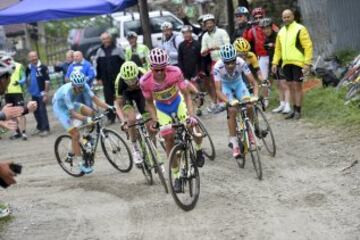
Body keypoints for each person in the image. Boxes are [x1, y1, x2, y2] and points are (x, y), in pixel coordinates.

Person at [140, 48, 204, 192]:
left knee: (192, 126)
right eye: (156, 70)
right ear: (151, 68)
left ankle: (199, 150)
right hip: (162, 109)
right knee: (168, 137)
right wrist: (155, 120)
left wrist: (191, 115)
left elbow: (186, 95)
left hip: (178, 102)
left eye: (163, 68)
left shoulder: (175, 72)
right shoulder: (145, 81)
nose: (160, 72)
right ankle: (177, 176)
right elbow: (149, 103)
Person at [52, 71, 115, 174]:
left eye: (82, 86)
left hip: (71, 105)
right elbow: (72, 114)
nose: (81, 89)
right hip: (60, 109)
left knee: (92, 113)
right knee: (75, 134)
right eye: (79, 87)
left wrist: (109, 107)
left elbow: (96, 100)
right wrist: (85, 119)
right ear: (73, 85)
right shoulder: (67, 92)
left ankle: (86, 138)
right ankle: (81, 162)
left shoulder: (84, 85)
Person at [213, 44, 258, 158]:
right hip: (226, 87)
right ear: (223, 61)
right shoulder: (217, 68)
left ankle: (250, 132)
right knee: (232, 110)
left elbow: (254, 82)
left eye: (232, 61)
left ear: (235, 59)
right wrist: (228, 101)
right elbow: (218, 91)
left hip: (239, 84)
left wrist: (255, 96)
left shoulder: (241, 62)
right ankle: (234, 143)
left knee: (249, 106)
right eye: (227, 62)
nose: (231, 65)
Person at [272, 9, 313, 120]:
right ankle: (294, 110)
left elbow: (308, 47)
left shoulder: (300, 29)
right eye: (284, 17)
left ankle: (298, 111)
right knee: (290, 87)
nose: (286, 19)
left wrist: (307, 63)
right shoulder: (281, 32)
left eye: (288, 17)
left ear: (293, 17)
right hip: (286, 63)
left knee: (297, 86)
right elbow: (278, 49)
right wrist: (275, 62)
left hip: (298, 63)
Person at [114, 61, 148, 166]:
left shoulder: (143, 73)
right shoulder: (119, 81)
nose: (132, 83)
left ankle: (152, 151)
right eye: (128, 81)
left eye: (133, 79)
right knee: (132, 120)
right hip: (126, 96)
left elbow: (153, 93)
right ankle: (135, 148)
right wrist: (123, 121)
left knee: (150, 122)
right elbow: (118, 105)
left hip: (141, 93)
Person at [259, 18, 291, 114]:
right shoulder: (266, 39)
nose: (266, 30)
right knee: (278, 84)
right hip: (273, 64)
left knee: (284, 84)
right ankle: (282, 104)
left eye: (268, 28)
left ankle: (288, 105)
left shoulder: (278, 36)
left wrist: (274, 45)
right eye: (264, 29)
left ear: (271, 27)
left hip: (282, 63)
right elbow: (266, 47)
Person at [200, 14, 230, 113]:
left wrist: (217, 47)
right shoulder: (205, 36)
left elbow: (228, 45)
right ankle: (221, 102)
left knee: (227, 79)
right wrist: (206, 50)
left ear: (214, 22)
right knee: (216, 81)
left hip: (225, 59)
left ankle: (229, 99)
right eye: (207, 23)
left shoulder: (222, 32)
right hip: (214, 61)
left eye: (210, 22)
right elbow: (203, 51)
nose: (209, 25)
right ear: (204, 25)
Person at [95, 32, 125, 124]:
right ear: (102, 40)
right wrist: (98, 78)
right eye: (103, 39)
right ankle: (111, 117)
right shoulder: (99, 51)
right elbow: (98, 66)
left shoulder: (118, 49)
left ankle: (122, 116)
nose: (105, 41)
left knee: (120, 97)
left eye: (107, 38)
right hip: (106, 79)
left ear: (110, 39)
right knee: (108, 99)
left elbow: (124, 62)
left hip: (117, 78)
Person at [243, 7, 275, 82]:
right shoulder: (252, 29)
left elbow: (279, 35)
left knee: (278, 78)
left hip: (273, 54)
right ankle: (266, 92)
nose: (258, 19)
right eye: (256, 18)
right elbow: (245, 41)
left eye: (260, 17)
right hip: (262, 56)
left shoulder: (271, 25)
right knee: (263, 79)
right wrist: (246, 29)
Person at [178, 25, 203, 115]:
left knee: (196, 88)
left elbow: (200, 59)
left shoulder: (197, 44)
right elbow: (180, 59)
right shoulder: (181, 45)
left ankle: (198, 107)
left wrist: (200, 71)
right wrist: (181, 72)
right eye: (184, 33)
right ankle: (190, 107)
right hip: (185, 71)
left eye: (188, 33)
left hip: (195, 70)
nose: (186, 35)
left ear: (191, 33)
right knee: (187, 90)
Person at [25, 51, 50, 137]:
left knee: (42, 111)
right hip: (33, 94)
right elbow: (27, 79)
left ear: (37, 56)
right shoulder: (28, 68)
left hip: (41, 94)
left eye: (35, 56)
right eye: (31, 57)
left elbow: (47, 81)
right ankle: (40, 128)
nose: (34, 58)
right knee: (35, 112)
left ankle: (46, 129)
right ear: (29, 59)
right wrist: (29, 90)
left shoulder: (43, 67)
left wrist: (46, 94)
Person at [5, 58, 28, 140]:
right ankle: (16, 132)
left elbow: (24, 78)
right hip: (7, 93)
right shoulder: (2, 67)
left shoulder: (19, 66)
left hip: (17, 92)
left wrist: (19, 82)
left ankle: (24, 132)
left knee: (21, 113)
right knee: (11, 114)